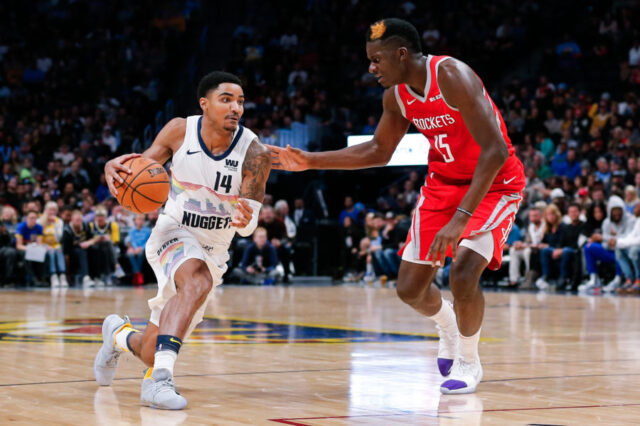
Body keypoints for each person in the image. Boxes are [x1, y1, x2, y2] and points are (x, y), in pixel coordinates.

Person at [270, 18, 525, 394]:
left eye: (377, 60)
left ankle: (469, 361)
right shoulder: (396, 96)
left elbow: (496, 150)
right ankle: (448, 325)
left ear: (401, 54)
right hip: (443, 186)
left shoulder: (452, 75)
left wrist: (461, 219)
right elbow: (378, 150)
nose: (371, 68)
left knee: (465, 273)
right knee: (409, 289)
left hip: (494, 184)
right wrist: (310, 160)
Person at [95, 71, 271, 410]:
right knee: (196, 279)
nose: (236, 107)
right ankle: (158, 384)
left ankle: (117, 334)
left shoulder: (255, 152)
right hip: (172, 233)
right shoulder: (179, 130)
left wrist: (246, 219)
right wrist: (111, 169)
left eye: (241, 101)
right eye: (226, 99)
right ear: (204, 104)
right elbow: (139, 170)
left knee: (152, 349)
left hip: (214, 250)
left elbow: (247, 228)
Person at [508, 206, 544, 287]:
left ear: (541, 216)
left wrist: (526, 245)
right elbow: (528, 241)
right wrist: (520, 243)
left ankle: (528, 278)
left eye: (535, 216)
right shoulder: (530, 226)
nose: (532, 218)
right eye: (531, 216)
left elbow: (542, 242)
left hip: (539, 249)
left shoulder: (544, 226)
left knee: (527, 251)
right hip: (531, 247)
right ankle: (514, 279)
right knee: (513, 250)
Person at [62, 210, 97, 287]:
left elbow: (93, 239)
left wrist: (88, 243)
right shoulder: (67, 231)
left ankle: (97, 277)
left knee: (95, 249)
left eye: (80, 220)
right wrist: (67, 272)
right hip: (72, 253)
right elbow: (66, 253)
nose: (79, 222)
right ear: (72, 220)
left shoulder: (86, 226)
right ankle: (86, 278)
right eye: (77, 220)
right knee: (81, 251)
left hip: (85, 248)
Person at [38, 201, 68, 287]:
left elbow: (59, 238)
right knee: (51, 251)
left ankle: (62, 275)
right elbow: (37, 238)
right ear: (45, 210)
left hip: (56, 244)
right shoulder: (39, 221)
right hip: (43, 245)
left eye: (54, 210)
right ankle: (53, 275)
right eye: (50, 210)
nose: (52, 212)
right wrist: (45, 246)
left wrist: (55, 224)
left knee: (59, 250)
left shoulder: (59, 221)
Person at [89, 205, 120, 286]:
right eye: (98, 216)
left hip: (110, 248)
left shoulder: (113, 225)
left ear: (105, 217)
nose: (100, 218)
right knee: (100, 248)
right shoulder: (91, 226)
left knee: (107, 245)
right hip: (95, 247)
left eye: (102, 216)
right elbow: (89, 240)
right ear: (95, 217)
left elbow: (115, 241)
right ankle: (113, 268)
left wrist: (107, 239)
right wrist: (98, 239)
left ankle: (105, 275)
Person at [15, 210, 45, 286]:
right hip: (21, 249)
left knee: (43, 253)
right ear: (26, 218)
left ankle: (43, 278)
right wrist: (30, 249)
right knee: (26, 254)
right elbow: (18, 245)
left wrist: (41, 249)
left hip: (32, 248)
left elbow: (39, 244)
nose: (33, 220)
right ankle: (33, 279)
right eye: (31, 218)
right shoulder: (21, 227)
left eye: (35, 218)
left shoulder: (39, 227)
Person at [126, 214, 151, 286]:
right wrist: (135, 248)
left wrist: (141, 248)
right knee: (130, 254)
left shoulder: (147, 231)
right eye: (138, 219)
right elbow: (132, 241)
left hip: (143, 249)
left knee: (140, 254)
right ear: (135, 221)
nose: (140, 221)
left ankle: (136, 275)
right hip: (134, 248)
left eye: (142, 219)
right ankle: (137, 274)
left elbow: (148, 241)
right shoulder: (132, 231)